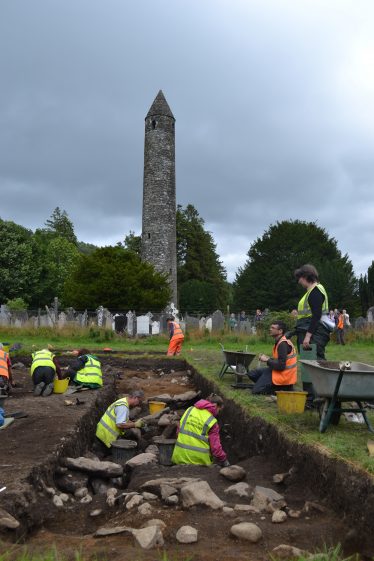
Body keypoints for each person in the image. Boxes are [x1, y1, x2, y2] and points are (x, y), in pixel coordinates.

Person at [172, 393, 229, 467]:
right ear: (215, 406)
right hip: (200, 461)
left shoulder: (189, 410)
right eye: (219, 410)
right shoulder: (212, 421)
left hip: (179, 457)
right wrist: (224, 460)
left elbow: (178, 432)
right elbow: (215, 448)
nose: (218, 413)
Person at [246, 321, 297, 394]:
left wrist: (268, 360)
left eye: (273, 328)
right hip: (276, 371)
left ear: (280, 331)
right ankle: (271, 385)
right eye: (270, 327)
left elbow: (281, 366)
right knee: (252, 374)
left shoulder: (283, 344)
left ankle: (282, 389)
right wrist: (269, 359)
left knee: (256, 391)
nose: (270, 329)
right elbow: (279, 360)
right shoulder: (279, 341)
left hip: (283, 375)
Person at [294, 264, 332, 360]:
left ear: (306, 276)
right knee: (309, 362)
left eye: (300, 278)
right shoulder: (310, 291)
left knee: (315, 362)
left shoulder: (315, 291)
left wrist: (307, 336)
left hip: (315, 333)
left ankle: (322, 376)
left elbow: (316, 315)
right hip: (310, 330)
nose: (299, 281)